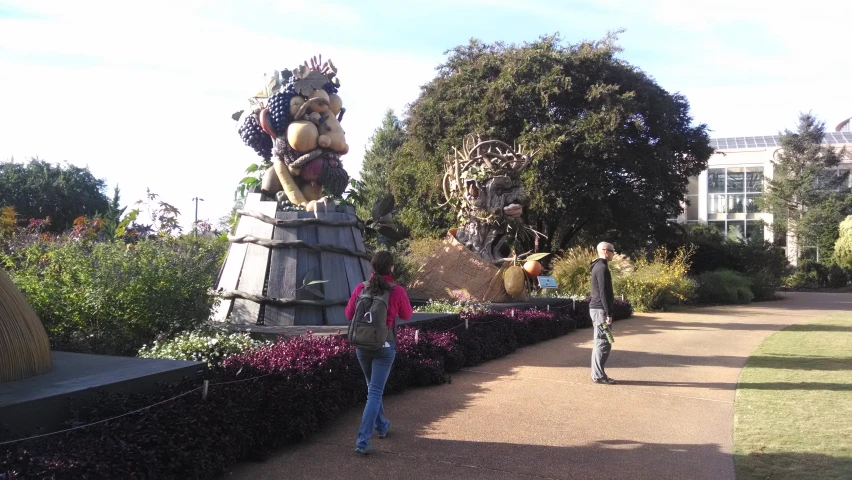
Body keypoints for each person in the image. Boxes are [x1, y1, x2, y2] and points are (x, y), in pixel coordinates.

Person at [345, 250, 413, 455]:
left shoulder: (361, 288)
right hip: (384, 348)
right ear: (391, 268)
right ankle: (362, 440)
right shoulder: (397, 290)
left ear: (372, 268)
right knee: (374, 393)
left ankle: (382, 425)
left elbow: (348, 314)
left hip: (361, 346)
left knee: (371, 388)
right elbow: (407, 315)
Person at [589, 241, 616, 384]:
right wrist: (609, 313)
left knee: (602, 341)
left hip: (599, 309)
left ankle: (597, 373)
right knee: (603, 341)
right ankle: (598, 375)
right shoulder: (602, 268)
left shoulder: (599, 266)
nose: (614, 253)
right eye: (612, 251)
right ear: (606, 251)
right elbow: (604, 292)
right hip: (600, 311)